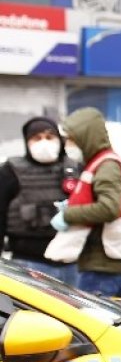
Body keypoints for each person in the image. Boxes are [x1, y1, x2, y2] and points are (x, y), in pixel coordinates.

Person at [52, 107, 121, 297]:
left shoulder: (107, 165)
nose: (68, 144)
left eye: (71, 139)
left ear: (86, 137)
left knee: (92, 321)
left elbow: (109, 207)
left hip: (105, 265)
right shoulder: (98, 163)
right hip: (104, 261)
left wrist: (69, 214)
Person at [0, 117, 81, 285]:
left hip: (72, 263)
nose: (44, 142)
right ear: (27, 143)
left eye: (50, 137)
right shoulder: (10, 172)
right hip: (28, 263)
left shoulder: (75, 169)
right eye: (37, 138)